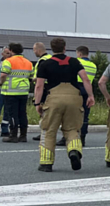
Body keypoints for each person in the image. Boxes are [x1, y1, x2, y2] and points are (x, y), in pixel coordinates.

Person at [34, 37, 94, 172]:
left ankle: (46, 163)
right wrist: (90, 96)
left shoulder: (45, 64)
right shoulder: (74, 62)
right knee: (72, 129)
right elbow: (85, 79)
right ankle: (74, 151)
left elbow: (39, 86)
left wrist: (37, 103)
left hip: (53, 99)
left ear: (51, 48)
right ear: (64, 48)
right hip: (74, 99)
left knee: (48, 130)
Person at [59, 45, 97, 146]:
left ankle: (66, 137)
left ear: (79, 54)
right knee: (84, 115)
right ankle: (82, 137)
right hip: (87, 89)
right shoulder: (93, 65)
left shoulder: (75, 62)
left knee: (69, 114)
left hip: (75, 89)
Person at [0, 43, 32, 143]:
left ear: (12, 50)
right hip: (24, 91)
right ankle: (23, 135)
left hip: (11, 91)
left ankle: (13, 135)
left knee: (12, 114)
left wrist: (1, 83)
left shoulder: (8, 61)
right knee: (22, 113)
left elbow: (3, 75)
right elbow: (31, 76)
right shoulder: (28, 62)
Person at [30, 41, 50, 140]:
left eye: (34, 50)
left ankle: (44, 132)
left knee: (42, 110)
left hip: (44, 88)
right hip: (50, 88)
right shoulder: (50, 58)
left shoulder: (42, 60)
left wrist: (33, 79)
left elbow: (41, 77)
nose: (34, 52)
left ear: (38, 50)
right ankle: (45, 131)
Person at [0, 47, 9, 137]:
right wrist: (1, 81)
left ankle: (5, 129)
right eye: (7, 53)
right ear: (2, 54)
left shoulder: (11, 63)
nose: (9, 55)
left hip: (8, 89)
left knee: (7, 109)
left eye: (9, 53)